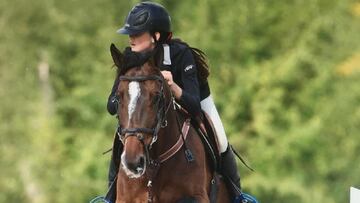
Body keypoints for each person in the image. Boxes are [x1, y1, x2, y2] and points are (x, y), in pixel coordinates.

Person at [106, 2, 246, 203]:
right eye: (130, 33)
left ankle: (237, 196)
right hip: (149, 110)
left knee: (221, 140)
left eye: (137, 33)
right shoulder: (130, 59)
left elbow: (194, 106)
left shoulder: (181, 53)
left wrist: (173, 86)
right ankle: (110, 196)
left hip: (193, 99)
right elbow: (111, 106)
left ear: (156, 35)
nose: (131, 38)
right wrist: (122, 93)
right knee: (123, 138)